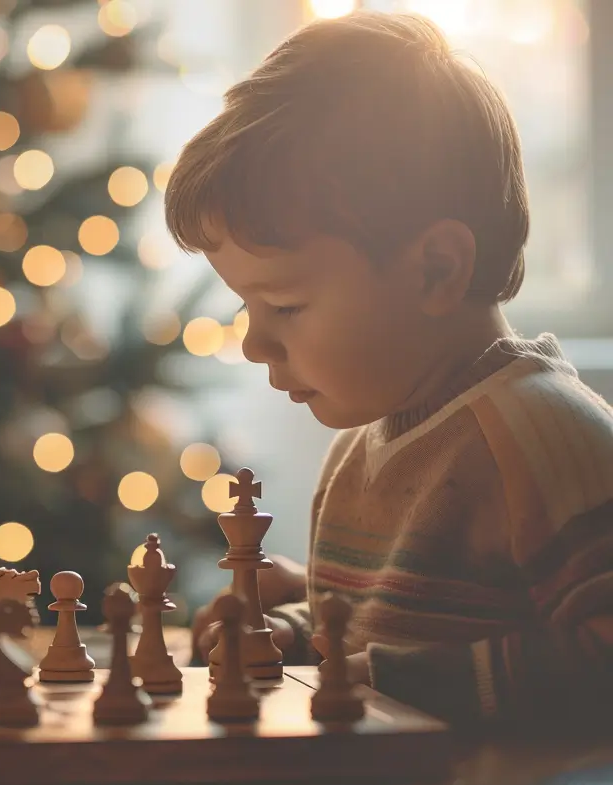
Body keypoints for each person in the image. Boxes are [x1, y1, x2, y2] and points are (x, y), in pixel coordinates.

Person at [169, 11, 613, 725]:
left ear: (435, 270)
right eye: (247, 305)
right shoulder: (365, 440)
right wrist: (288, 638)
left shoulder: (545, 438)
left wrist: (397, 681)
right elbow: (381, 634)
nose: (253, 344)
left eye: (284, 305)